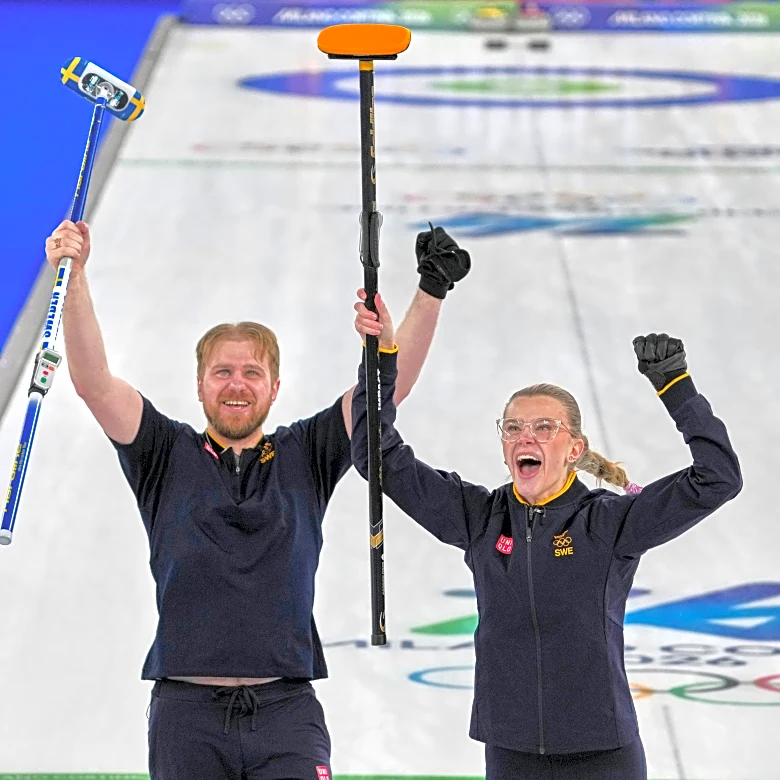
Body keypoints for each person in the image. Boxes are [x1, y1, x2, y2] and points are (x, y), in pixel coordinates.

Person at [44, 219, 471, 780]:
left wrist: (429, 291)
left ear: (275, 386)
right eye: (222, 372)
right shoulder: (162, 451)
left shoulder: (308, 451)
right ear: (199, 384)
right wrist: (72, 277)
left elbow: (386, 391)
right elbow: (94, 383)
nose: (237, 384)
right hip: (186, 714)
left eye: (252, 371)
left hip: (285, 713)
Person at [351, 297, 742, 780]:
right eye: (512, 428)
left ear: (574, 449)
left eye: (544, 427)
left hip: (603, 756)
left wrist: (678, 390)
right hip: (511, 753)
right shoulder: (480, 518)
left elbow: (718, 477)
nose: (525, 437)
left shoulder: (609, 522)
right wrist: (381, 355)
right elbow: (378, 455)